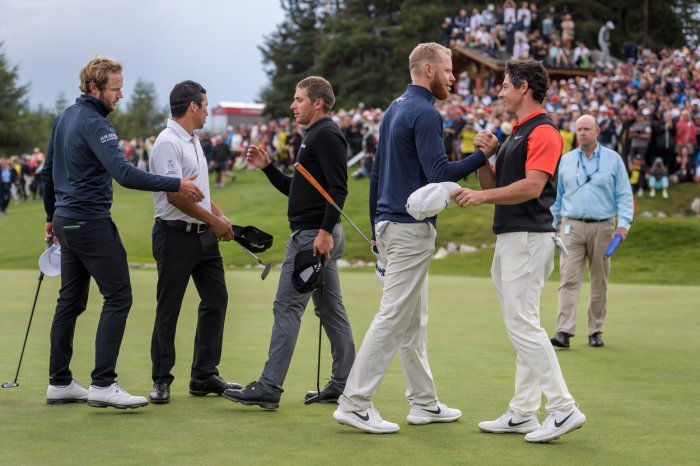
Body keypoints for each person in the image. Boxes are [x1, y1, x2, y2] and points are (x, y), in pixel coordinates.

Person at [333, 42, 492, 434]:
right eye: (448, 70)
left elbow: (375, 174)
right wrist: (482, 155)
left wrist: (374, 229)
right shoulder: (424, 112)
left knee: (413, 319)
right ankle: (354, 402)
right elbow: (439, 171)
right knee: (394, 316)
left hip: (390, 226)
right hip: (409, 230)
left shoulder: (395, 108)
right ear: (427, 70)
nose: (453, 77)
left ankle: (423, 403)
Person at [41, 56, 204, 409]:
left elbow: (47, 174)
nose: (120, 95)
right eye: (115, 89)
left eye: (121, 88)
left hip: (66, 224)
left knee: (70, 301)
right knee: (118, 297)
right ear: (93, 88)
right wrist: (175, 182)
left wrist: (50, 218)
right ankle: (103, 383)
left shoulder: (63, 119)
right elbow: (125, 174)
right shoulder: (96, 123)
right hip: (90, 223)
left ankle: (60, 381)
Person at [452, 59, 586, 443]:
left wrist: (480, 197)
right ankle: (523, 412)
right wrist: (487, 158)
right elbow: (499, 182)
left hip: (528, 239)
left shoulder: (543, 131)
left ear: (524, 87)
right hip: (513, 238)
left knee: (522, 326)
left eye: (505, 85)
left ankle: (562, 408)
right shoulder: (516, 132)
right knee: (524, 324)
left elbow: (531, 187)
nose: (500, 92)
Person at [222, 76, 355, 409]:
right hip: (316, 235)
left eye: (298, 99)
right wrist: (268, 168)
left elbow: (338, 190)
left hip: (313, 238)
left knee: (287, 308)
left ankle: (269, 387)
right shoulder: (313, 135)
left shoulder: (326, 134)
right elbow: (299, 189)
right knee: (330, 310)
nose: (293, 105)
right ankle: (344, 385)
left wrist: (324, 232)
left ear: (318, 102)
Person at [148, 80, 242, 405]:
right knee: (169, 307)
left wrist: (220, 216)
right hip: (174, 235)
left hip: (203, 237)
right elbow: (175, 196)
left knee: (216, 300)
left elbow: (199, 191)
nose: (207, 110)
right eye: (205, 105)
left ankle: (203, 375)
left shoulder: (193, 140)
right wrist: (214, 221)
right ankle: (161, 379)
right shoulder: (166, 143)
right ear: (193, 107)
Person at [549, 114, 634, 350]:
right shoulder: (565, 160)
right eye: (579, 129)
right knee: (568, 278)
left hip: (604, 226)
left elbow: (624, 194)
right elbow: (558, 196)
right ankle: (564, 331)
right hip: (571, 226)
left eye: (587, 129)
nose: (583, 133)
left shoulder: (613, 159)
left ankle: (595, 330)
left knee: (599, 280)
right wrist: (551, 223)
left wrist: (623, 224)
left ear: (597, 131)